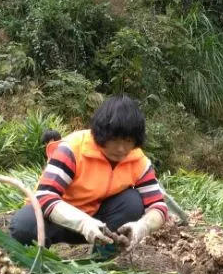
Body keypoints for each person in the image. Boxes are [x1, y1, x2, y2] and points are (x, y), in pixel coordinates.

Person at [10, 95, 168, 250]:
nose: (121, 149)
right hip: (57, 220)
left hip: (99, 225)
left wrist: (142, 226)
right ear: (101, 134)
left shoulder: (138, 161)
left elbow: (158, 207)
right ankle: (35, 262)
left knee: (132, 201)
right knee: (25, 225)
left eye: (128, 141)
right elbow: (44, 197)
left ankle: (104, 257)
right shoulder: (73, 149)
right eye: (115, 140)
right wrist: (83, 223)